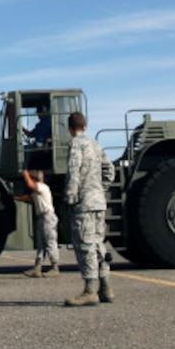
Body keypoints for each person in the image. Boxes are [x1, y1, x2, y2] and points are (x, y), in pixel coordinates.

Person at [62, 111, 113, 306]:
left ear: (69, 127)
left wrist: (70, 196)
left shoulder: (76, 144)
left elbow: (74, 169)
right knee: (99, 244)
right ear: (85, 125)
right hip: (98, 201)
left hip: (83, 203)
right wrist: (100, 188)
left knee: (85, 245)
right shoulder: (95, 144)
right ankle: (106, 288)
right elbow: (109, 169)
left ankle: (90, 290)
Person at [15, 167, 60, 278]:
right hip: (42, 218)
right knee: (41, 245)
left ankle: (55, 267)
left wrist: (25, 172)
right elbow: (29, 198)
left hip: (48, 218)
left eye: (33, 176)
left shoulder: (42, 187)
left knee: (50, 243)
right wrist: (16, 198)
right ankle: (37, 268)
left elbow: (30, 185)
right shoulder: (37, 191)